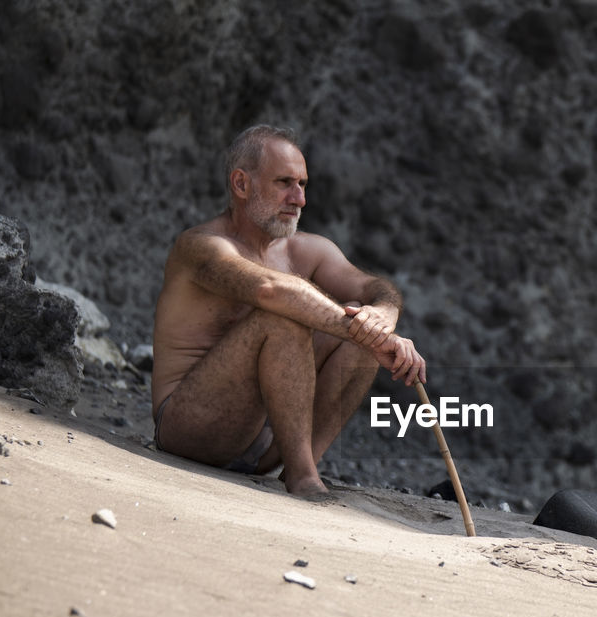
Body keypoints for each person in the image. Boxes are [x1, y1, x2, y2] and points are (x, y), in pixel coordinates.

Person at [151, 124, 426, 499]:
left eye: (303, 184)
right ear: (241, 184)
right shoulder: (201, 246)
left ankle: (305, 462)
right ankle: (303, 478)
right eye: (284, 182)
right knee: (281, 318)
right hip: (192, 429)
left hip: (265, 445)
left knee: (363, 316)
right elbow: (271, 290)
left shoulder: (306, 249)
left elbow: (372, 286)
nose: (299, 199)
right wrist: (372, 335)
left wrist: (384, 317)